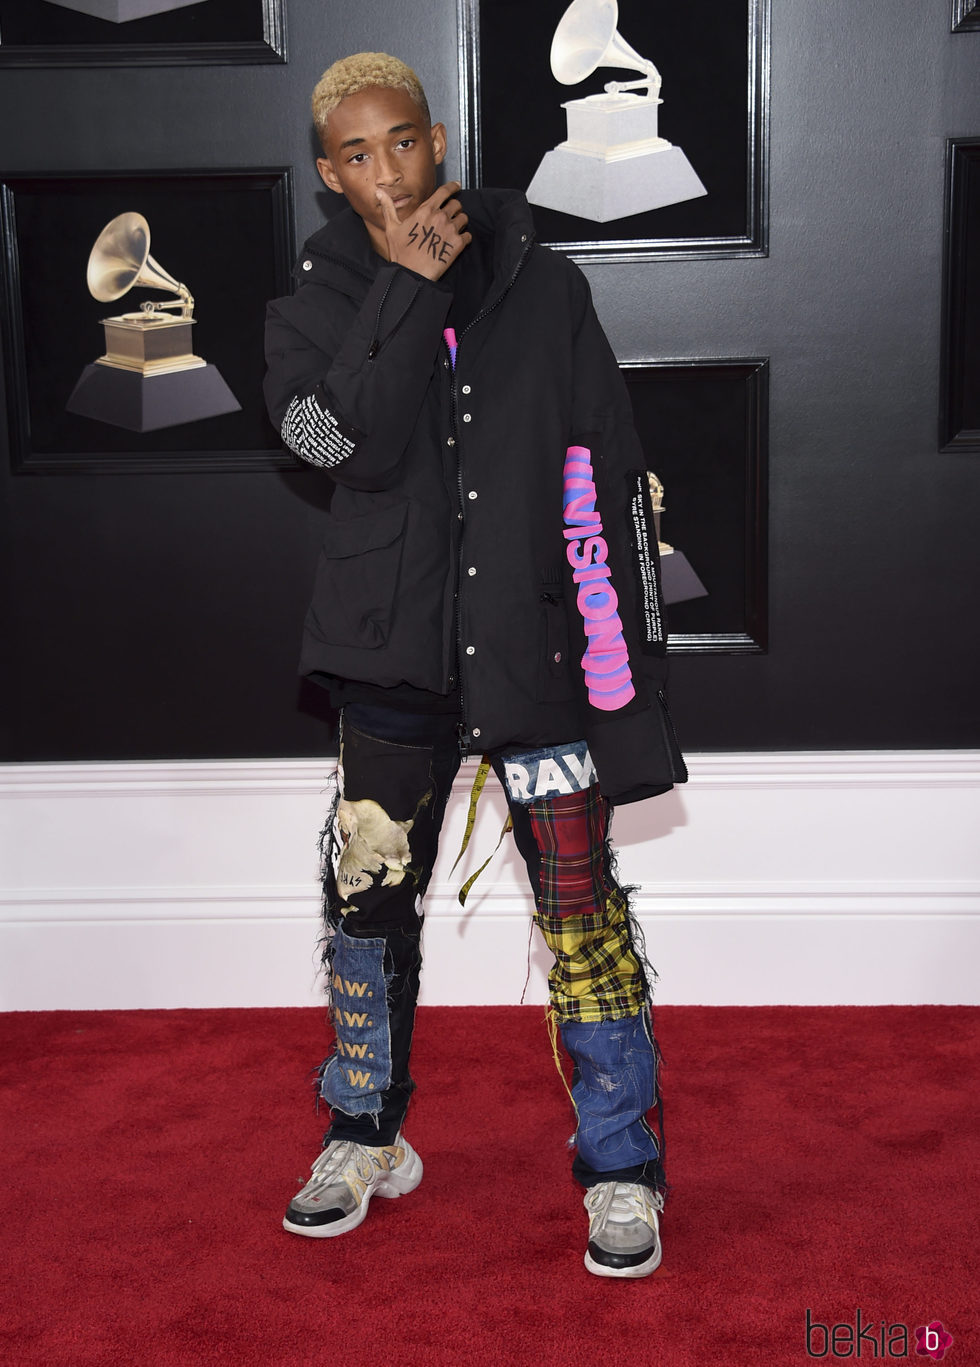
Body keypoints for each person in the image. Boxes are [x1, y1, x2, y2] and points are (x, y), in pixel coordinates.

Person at [263, 52, 686, 1279]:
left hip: (533, 649)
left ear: (435, 140)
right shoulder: (312, 300)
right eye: (355, 155)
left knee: (578, 907)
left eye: (400, 142)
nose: (384, 172)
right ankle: (363, 1131)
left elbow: (606, 469)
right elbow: (333, 438)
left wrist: (625, 677)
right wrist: (399, 290)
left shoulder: (546, 287)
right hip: (385, 652)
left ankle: (620, 1163)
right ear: (331, 176)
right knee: (367, 897)